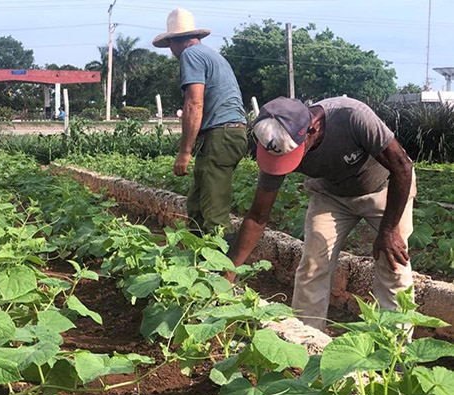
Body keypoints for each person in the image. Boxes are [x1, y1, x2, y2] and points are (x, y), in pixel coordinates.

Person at [227, 96, 415, 330]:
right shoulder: (276, 145)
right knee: (313, 264)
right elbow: (258, 216)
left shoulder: (352, 116)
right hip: (331, 195)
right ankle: (304, 340)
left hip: (384, 188)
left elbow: (402, 167)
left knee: (393, 262)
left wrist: (388, 231)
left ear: (312, 130)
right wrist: (229, 271)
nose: (285, 163)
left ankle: (396, 350)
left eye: (291, 156)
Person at [153, 8, 247, 236]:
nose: (171, 52)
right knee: (197, 205)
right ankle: (196, 261)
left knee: (214, 212)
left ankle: (220, 269)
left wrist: (184, 152)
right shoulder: (210, 54)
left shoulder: (190, 55)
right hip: (230, 133)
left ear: (175, 41)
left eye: (169, 47)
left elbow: (194, 104)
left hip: (220, 135)